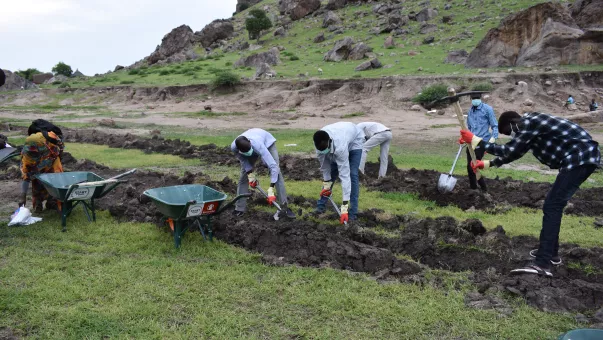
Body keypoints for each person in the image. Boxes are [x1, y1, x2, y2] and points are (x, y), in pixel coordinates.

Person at [460, 111, 600, 277]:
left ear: (513, 122)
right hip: (581, 158)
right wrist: (489, 163)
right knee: (553, 205)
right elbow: (514, 153)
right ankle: (551, 254)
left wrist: (475, 140)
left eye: (508, 132)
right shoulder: (531, 129)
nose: (512, 135)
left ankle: (542, 263)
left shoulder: (530, 123)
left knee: (552, 205)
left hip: (580, 157)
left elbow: (508, 149)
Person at [231, 128, 295, 219]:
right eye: (245, 152)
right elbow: (243, 160)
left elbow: (273, 167)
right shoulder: (234, 148)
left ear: (250, 142)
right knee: (243, 176)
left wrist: (271, 189)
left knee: (277, 173)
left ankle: (284, 208)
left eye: (248, 149)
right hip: (249, 147)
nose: (248, 153)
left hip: (267, 143)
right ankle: (239, 208)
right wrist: (250, 175)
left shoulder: (258, 145)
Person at [313, 122, 364, 224]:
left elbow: (344, 177)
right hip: (342, 135)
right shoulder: (318, 145)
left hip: (355, 141)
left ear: (330, 141)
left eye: (325, 149)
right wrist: (327, 187)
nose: (323, 152)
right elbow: (325, 169)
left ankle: (352, 213)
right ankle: (320, 207)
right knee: (332, 171)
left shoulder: (340, 147)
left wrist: (344, 208)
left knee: (352, 174)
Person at [20, 119, 65, 212]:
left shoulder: (32, 141)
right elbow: (60, 151)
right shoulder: (54, 135)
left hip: (50, 161)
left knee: (36, 176)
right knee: (54, 180)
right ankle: (52, 203)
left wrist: (22, 197)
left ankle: (41, 204)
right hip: (54, 162)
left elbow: (26, 173)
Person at [465, 92, 498, 191]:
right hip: (471, 142)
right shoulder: (470, 111)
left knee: (473, 166)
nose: (475, 100)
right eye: (473, 98)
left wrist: (492, 139)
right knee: (469, 167)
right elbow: (469, 127)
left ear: (480, 98)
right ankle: (473, 188)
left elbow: (495, 126)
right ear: (470, 99)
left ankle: (483, 189)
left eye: (477, 98)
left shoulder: (487, 109)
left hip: (482, 141)